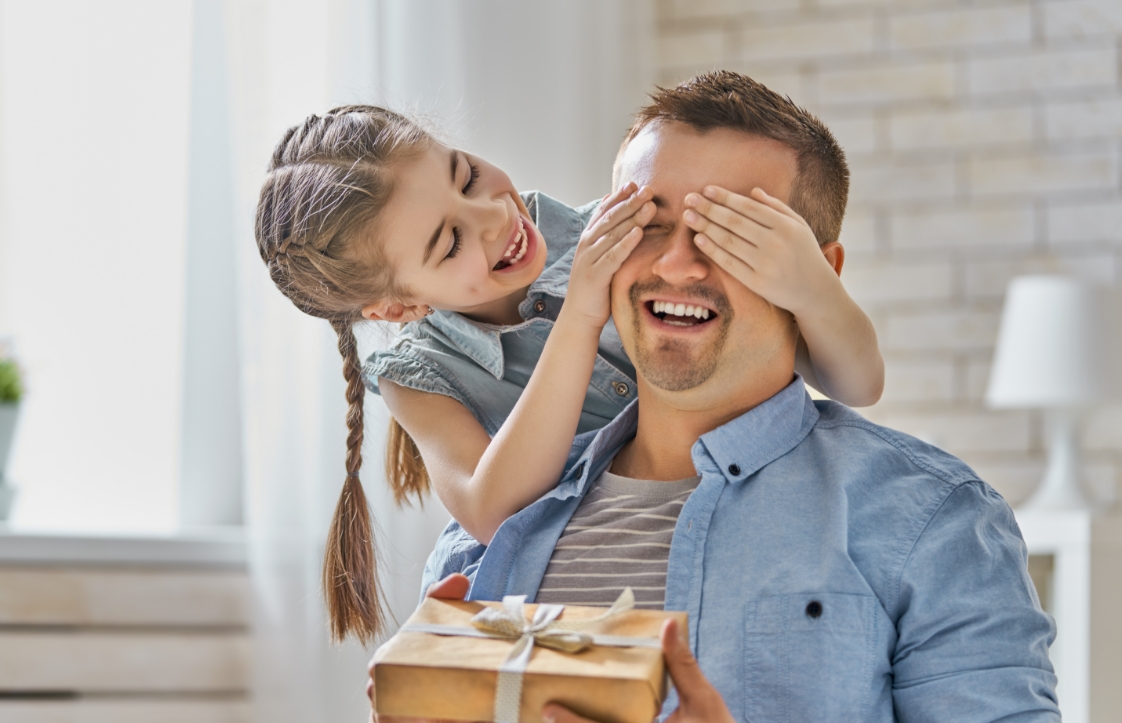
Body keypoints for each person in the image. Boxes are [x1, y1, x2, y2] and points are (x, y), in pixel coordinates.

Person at [410, 71, 1060, 721]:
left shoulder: (932, 521)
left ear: (820, 273)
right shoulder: (482, 543)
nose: (679, 265)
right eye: (648, 225)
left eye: (732, 234)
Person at [254, 89, 884, 641]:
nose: (494, 217)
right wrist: (581, 313)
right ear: (397, 305)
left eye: (467, 176)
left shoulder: (620, 233)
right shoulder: (417, 374)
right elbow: (490, 511)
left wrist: (811, 287)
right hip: (566, 569)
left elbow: (858, 384)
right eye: (449, 242)